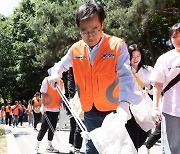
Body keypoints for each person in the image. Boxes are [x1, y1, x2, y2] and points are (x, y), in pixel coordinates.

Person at [48, 2, 140, 154]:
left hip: (113, 111)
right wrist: (55, 74)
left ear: (102, 25)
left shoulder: (117, 46)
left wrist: (124, 105)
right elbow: (61, 65)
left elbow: (125, 76)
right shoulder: (76, 49)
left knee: (113, 149)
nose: (89, 35)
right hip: (89, 110)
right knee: (92, 147)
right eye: (84, 31)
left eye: (94, 30)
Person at [150, 23, 180, 154]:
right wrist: (155, 108)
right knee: (172, 148)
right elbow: (157, 85)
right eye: (175, 36)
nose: (178, 40)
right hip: (171, 110)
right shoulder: (164, 59)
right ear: (170, 38)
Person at [127, 44, 154, 150]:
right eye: (133, 56)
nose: (136, 59)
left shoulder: (148, 70)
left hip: (144, 108)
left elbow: (155, 89)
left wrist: (148, 86)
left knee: (143, 136)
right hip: (129, 108)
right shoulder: (124, 71)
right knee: (132, 136)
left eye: (138, 56)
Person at [34, 75, 65, 153]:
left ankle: (49, 146)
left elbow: (62, 94)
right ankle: (37, 146)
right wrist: (43, 105)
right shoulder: (47, 80)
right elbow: (43, 93)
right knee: (44, 127)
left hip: (56, 108)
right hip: (47, 108)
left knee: (52, 128)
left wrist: (62, 105)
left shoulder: (61, 82)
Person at [66, 67, 83, 154]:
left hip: (84, 92)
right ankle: (73, 145)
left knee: (80, 122)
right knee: (74, 122)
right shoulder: (73, 63)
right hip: (76, 95)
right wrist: (72, 96)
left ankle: (76, 146)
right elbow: (70, 79)